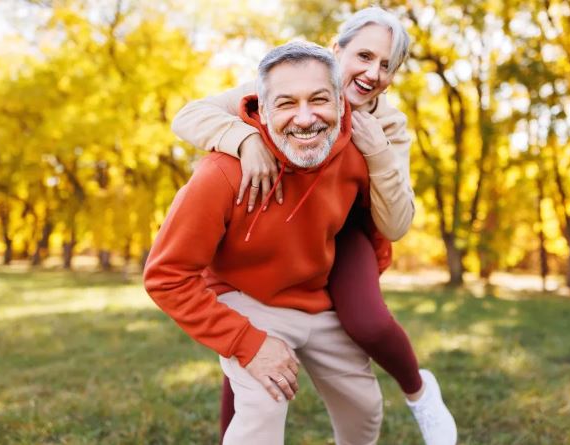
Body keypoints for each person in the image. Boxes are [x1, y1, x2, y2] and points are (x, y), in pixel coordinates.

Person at [171, 7, 456, 445]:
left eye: (386, 66)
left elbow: (398, 220)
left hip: (345, 229)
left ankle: (419, 392)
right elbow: (189, 117)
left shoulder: (389, 124)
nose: (372, 72)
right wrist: (245, 139)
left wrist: (377, 152)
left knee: (368, 322)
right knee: (252, 332)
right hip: (276, 225)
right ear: (335, 49)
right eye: (364, 55)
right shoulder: (291, 87)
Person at [145, 41, 385, 444]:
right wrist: (246, 341)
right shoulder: (221, 174)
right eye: (287, 103)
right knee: (264, 404)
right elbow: (166, 277)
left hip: (318, 302)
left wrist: (361, 291)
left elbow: (369, 229)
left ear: (342, 105)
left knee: (364, 406)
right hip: (245, 298)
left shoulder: (355, 161)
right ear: (263, 108)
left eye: (320, 100)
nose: (306, 118)